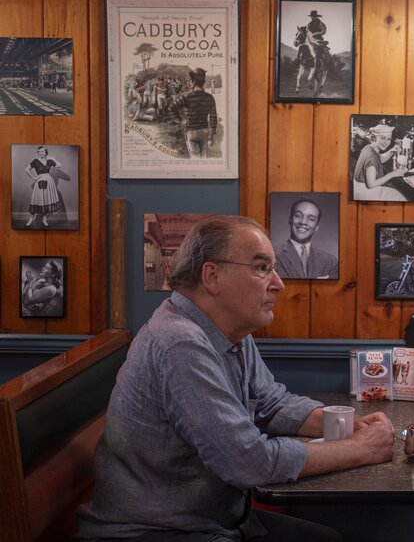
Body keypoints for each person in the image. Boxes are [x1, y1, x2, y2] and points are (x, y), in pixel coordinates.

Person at [76, 215, 395, 542]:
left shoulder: (229, 332)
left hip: (216, 521)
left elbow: (272, 404)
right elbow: (249, 463)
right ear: (212, 276)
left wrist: (350, 427)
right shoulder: (180, 344)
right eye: (262, 268)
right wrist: (361, 450)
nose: (279, 283)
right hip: (156, 532)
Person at [276, 197, 339, 279]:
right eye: (298, 216)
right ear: (290, 220)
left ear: (316, 227)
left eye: (311, 219)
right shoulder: (274, 255)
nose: (303, 222)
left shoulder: (331, 261)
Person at [169, 67, 218, 159]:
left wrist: (181, 120)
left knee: (195, 159)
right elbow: (213, 117)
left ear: (193, 81)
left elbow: (171, 107)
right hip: (205, 131)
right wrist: (213, 132)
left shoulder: (186, 96)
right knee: (204, 158)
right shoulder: (210, 98)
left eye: (190, 80)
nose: (189, 82)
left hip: (191, 131)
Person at [352, 123, 408, 201]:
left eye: (388, 139)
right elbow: (371, 184)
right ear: (374, 138)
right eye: (382, 138)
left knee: (395, 193)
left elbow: (379, 159)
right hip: (366, 194)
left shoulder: (369, 148)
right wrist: (392, 174)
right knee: (401, 197)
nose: (386, 142)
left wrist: (391, 151)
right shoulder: (372, 158)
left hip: (358, 191)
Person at [24, 145, 62, 227]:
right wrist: (34, 177)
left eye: (42, 151)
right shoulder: (35, 161)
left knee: (46, 200)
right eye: (39, 151)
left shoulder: (49, 161)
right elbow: (26, 169)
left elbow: (59, 165)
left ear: (46, 153)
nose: (40, 153)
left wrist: (53, 158)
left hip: (49, 182)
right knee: (37, 200)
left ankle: (44, 219)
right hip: (40, 182)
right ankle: (31, 218)